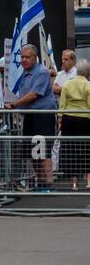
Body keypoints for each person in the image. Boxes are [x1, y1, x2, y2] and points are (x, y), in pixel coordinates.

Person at [10, 43, 56, 190]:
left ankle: (48, 184)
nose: (23, 60)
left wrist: (14, 105)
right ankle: (40, 182)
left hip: (42, 116)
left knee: (43, 151)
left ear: (35, 58)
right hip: (30, 116)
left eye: (27, 57)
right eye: (22, 57)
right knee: (33, 152)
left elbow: (33, 94)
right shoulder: (26, 71)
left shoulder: (41, 72)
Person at [57, 59, 90, 190]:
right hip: (85, 119)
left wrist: (59, 120)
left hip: (68, 119)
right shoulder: (88, 85)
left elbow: (62, 105)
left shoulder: (67, 85)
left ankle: (74, 183)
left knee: (70, 149)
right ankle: (88, 181)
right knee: (87, 149)